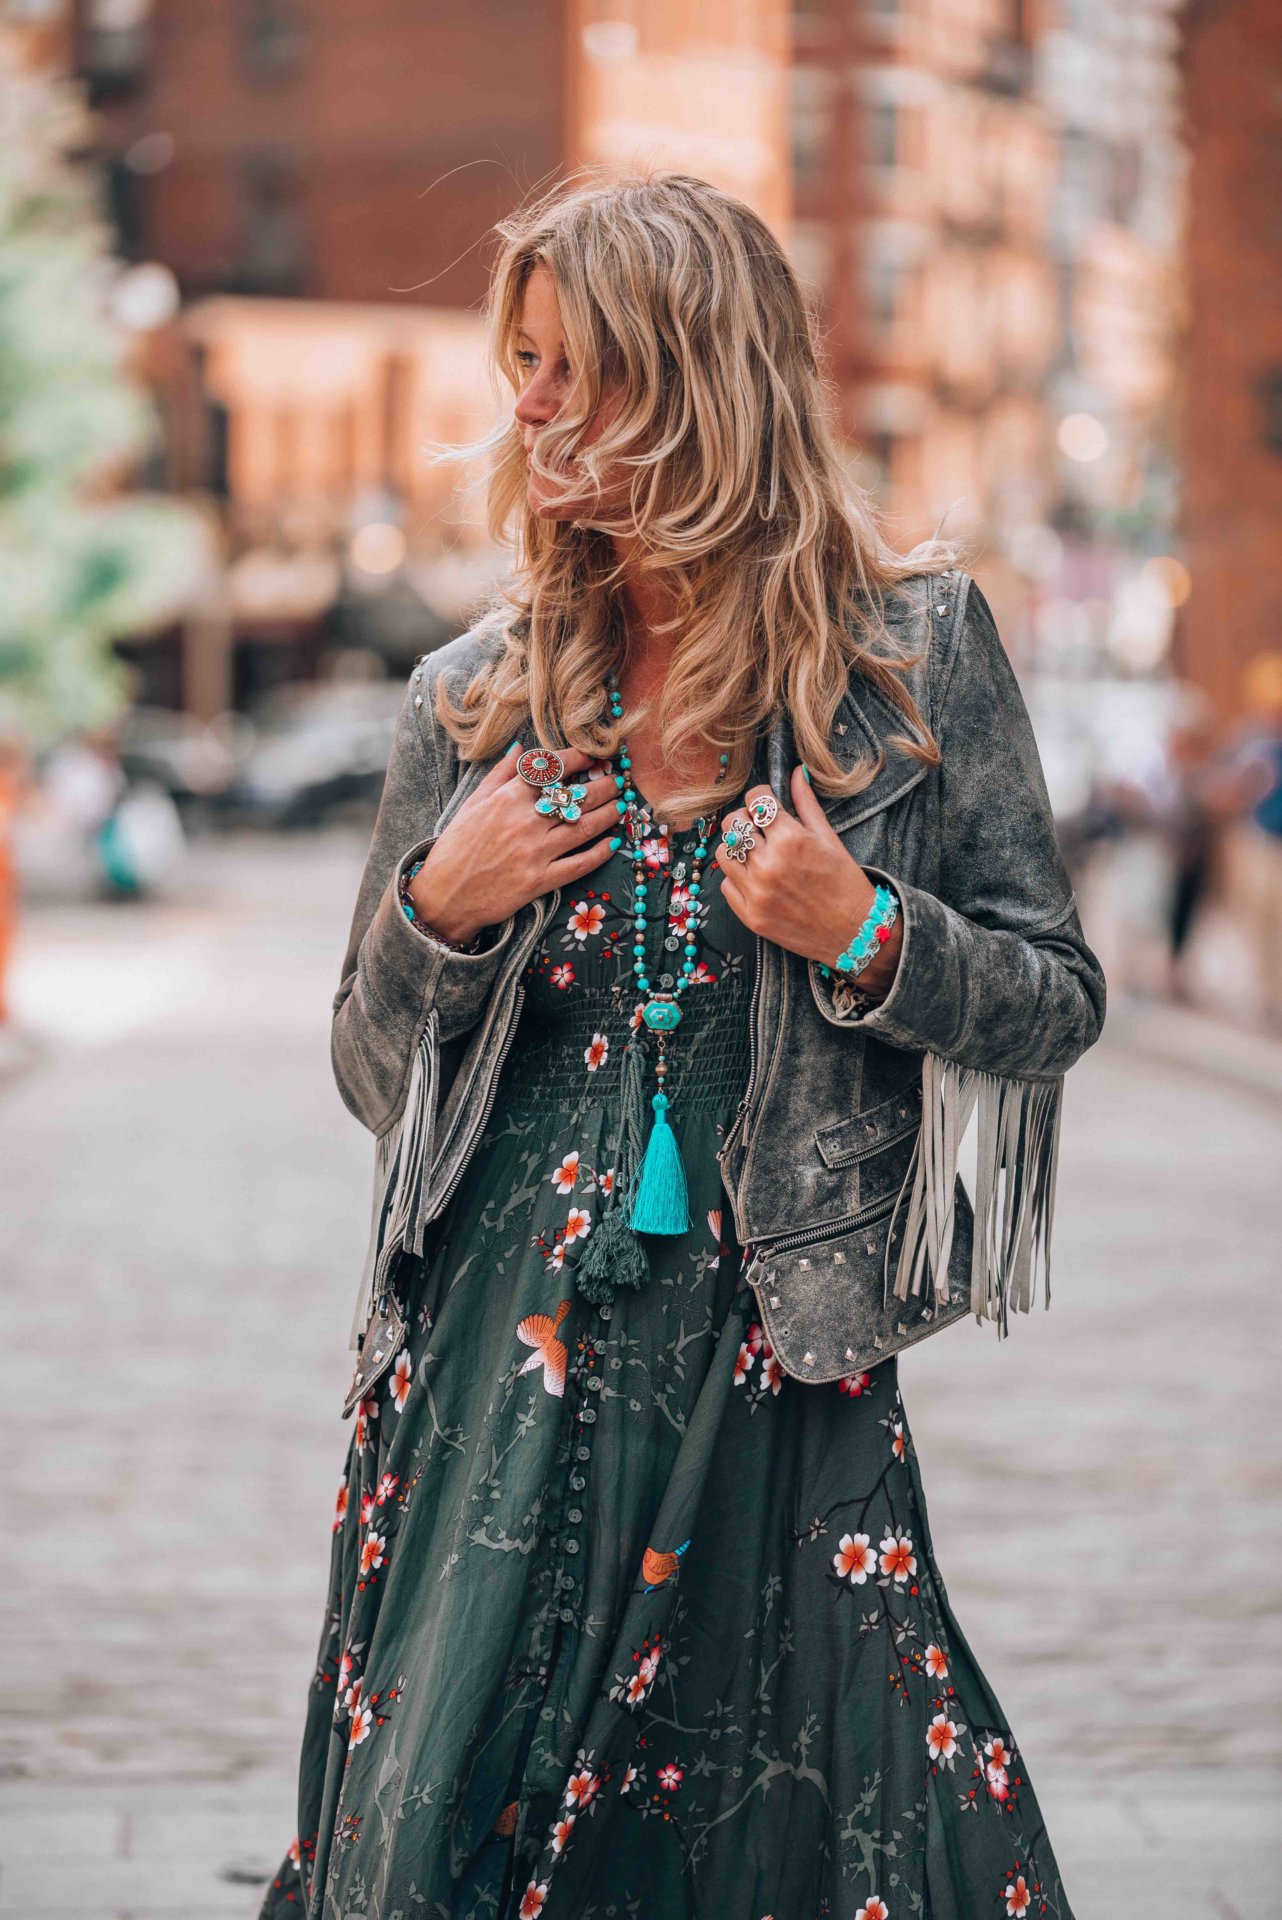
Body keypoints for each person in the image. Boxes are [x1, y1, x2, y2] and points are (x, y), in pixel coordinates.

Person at [260, 174, 1105, 1920]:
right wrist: (444, 902)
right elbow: (364, 1073)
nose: (529, 405)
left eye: (572, 365)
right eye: (523, 363)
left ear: (695, 378)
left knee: (819, 1807)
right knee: (466, 1814)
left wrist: (864, 933)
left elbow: (1052, 997)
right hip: (496, 1347)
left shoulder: (908, 661)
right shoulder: (472, 699)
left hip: (778, 1336)